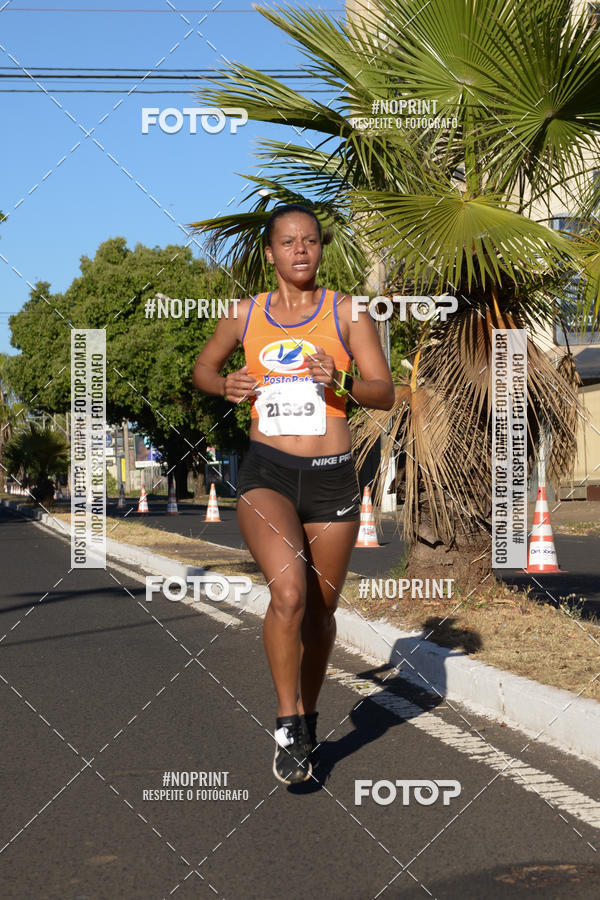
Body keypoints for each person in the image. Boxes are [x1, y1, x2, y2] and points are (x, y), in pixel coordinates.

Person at [192, 204, 394, 784]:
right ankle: (288, 723)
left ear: (319, 249)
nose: (300, 250)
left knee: (320, 614)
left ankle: (308, 715)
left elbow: (384, 392)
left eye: (310, 241)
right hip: (268, 473)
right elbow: (203, 369)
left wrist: (344, 381)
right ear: (271, 252)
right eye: (288, 242)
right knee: (288, 595)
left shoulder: (348, 312)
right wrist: (224, 383)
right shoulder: (245, 314)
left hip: (333, 475)